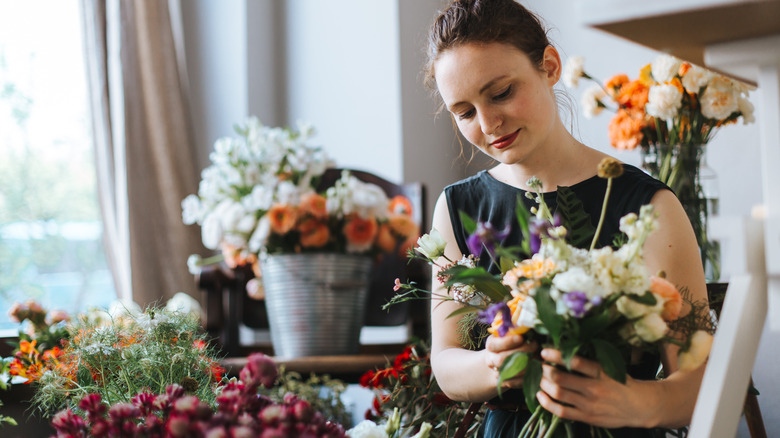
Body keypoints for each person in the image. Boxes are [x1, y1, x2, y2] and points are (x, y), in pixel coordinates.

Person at [423, 0, 710, 436]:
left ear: (550, 66)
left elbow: (702, 378)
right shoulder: (458, 208)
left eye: (501, 92)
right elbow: (445, 363)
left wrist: (636, 403)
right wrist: (494, 363)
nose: (489, 122)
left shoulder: (647, 205)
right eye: (464, 112)